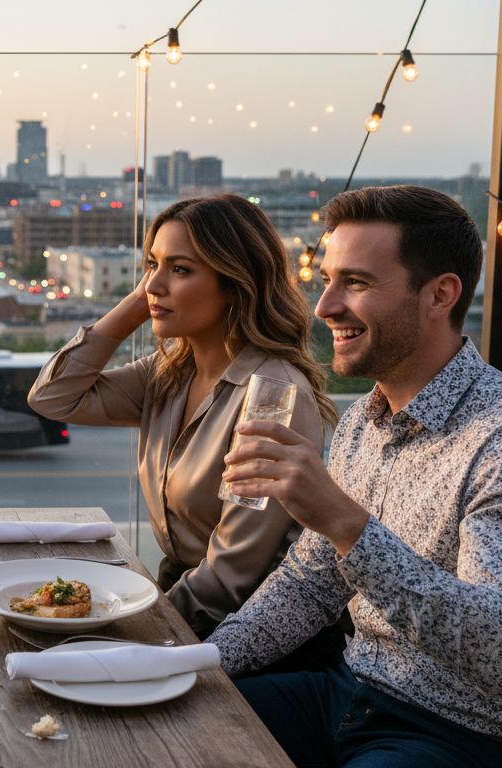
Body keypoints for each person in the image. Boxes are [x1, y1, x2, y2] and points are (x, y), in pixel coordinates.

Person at [210, 184, 502, 768]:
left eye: (354, 283)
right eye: (327, 280)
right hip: (348, 695)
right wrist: (193, 662)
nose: (324, 306)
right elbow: (310, 586)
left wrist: (345, 523)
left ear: (440, 295)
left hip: (460, 735)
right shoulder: (363, 419)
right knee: (165, 724)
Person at [28, 194, 340, 651]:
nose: (154, 284)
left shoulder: (273, 395)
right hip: (179, 606)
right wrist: (139, 302)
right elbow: (54, 397)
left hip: (247, 635)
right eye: (151, 265)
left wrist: (132, 630)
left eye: (180, 269)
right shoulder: (170, 371)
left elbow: (233, 573)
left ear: (235, 282)